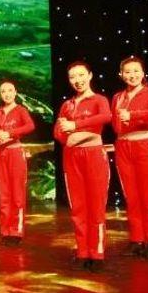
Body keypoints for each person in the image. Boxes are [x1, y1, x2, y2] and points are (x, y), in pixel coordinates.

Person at [54, 61, 111, 273]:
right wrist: (67, 137)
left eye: (81, 75)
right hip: (72, 156)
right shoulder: (67, 105)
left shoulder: (99, 100)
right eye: (72, 77)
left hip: (94, 155)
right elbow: (58, 131)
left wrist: (75, 126)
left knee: (96, 204)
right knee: (78, 206)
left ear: (90, 75)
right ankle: (82, 251)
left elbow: (106, 116)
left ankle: (97, 253)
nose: (77, 80)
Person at [112, 56, 148, 258]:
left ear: (143, 73)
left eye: (136, 71)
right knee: (131, 196)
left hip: (145, 146)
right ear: (121, 75)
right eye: (127, 72)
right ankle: (136, 239)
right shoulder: (118, 97)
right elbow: (116, 123)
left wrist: (134, 115)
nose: (132, 75)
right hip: (123, 147)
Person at [0, 80, 35, 247]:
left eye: (10, 90)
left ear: (15, 93)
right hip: (0, 154)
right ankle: (5, 230)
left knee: (17, 193)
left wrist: (10, 133)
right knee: (4, 194)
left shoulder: (21, 110)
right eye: (3, 91)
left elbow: (30, 126)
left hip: (15, 153)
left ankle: (16, 231)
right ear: (0, 94)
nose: (6, 94)